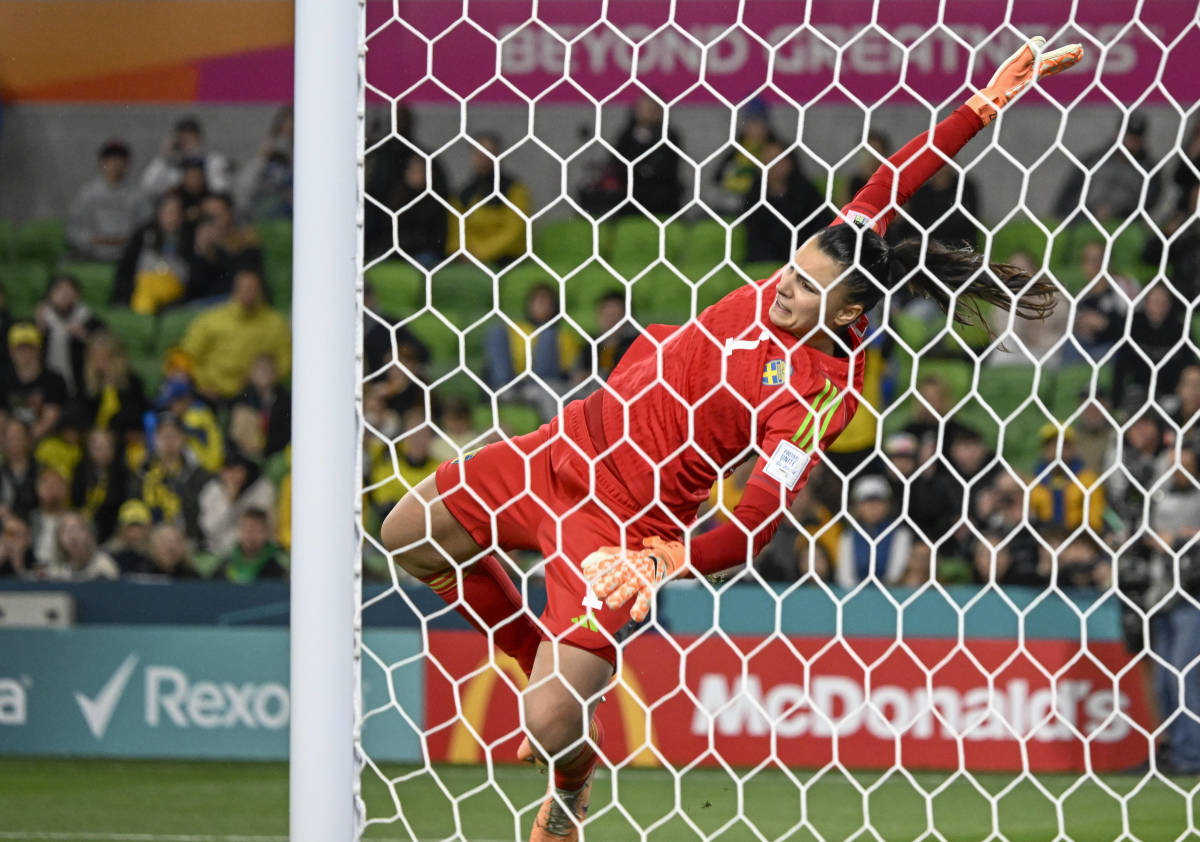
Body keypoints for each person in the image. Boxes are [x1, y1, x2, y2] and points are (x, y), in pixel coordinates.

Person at [380, 37, 1080, 841]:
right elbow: (895, 179)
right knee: (408, 536)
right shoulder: (831, 251)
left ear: (850, 315)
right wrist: (983, 106)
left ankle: (572, 785)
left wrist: (660, 559)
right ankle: (531, 645)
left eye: (808, 289)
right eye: (791, 269)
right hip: (557, 449)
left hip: (619, 523)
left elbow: (755, 525)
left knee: (546, 725)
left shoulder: (820, 393)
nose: (785, 288)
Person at [178, 269, 291, 404]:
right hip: (209, 393)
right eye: (243, 288)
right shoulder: (210, 320)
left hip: (255, 394)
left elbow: (286, 359)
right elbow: (186, 355)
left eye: (253, 288)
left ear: (261, 291)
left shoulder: (275, 323)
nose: (248, 293)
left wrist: (267, 378)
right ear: (234, 289)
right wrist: (201, 383)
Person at [1053, 111, 1162, 223]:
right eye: (1127, 136)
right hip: (1084, 217)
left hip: (1124, 222)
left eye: (1135, 139)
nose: (1130, 143)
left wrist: (1117, 212)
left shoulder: (1149, 170)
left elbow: (1149, 202)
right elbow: (1070, 191)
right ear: (1117, 134)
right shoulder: (1094, 160)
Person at [447, 133, 530, 265]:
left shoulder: (515, 190)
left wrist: (481, 253)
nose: (483, 158)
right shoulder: (463, 194)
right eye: (478, 153)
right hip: (467, 258)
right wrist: (463, 252)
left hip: (506, 257)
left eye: (489, 152)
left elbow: (514, 231)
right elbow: (455, 234)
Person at [742, 140, 829, 263]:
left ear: (790, 163)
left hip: (803, 255)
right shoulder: (753, 195)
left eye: (778, 159)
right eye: (767, 160)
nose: (772, 165)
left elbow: (821, 225)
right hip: (764, 259)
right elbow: (754, 235)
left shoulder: (807, 191)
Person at [67, 138, 147, 261]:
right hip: (91, 256)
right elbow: (73, 229)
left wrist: (130, 241)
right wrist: (92, 240)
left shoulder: (138, 194)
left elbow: (147, 227)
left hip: (128, 257)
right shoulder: (87, 193)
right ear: (102, 163)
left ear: (127, 163)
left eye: (119, 158)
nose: (114, 163)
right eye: (110, 159)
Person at [113, 189, 192, 314]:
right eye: (169, 212)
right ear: (159, 213)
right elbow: (125, 270)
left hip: (174, 296)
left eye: (177, 213)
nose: (173, 218)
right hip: (142, 289)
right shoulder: (143, 234)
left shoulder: (190, 237)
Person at [834, 475, 918, 587]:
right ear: (857, 506)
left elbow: (896, 574)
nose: (873, 507)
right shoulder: (848, 536)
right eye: (866, 502)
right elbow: (845, 576)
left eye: (878, 501)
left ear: (888, 505)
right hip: (855, 596)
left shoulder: (900, 533)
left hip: (891, 593)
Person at [35, 274, 104, 399]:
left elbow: (108, 346)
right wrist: (39, 329)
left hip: (81, 385)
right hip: (48, 384)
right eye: (59, 290)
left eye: (69, 291)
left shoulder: (90, 321)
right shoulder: (42, 319)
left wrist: (84, 335)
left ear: (78, 295)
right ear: (50, 295)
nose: (64, 295)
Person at [198, 450, 276, 556]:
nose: (232, 476)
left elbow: (260, 526)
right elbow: (210, 529)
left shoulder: (262, 487)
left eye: (237, 470)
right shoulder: (212, 489)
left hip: (254, 551)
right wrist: (228, 502)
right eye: (227, 471)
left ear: (245, 470)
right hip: (217, 552)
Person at [1, 323, 68, 440]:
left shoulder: (54, 379)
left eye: (30, 348)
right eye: (19, 349)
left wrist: (24, 440)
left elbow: (50, 418)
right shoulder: (3, 377)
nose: (25, 353)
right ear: (11, 352)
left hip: (44, 439)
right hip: (9, 438)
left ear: (39, 349)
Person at [141, 116, 233, 199]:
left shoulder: (214, 160)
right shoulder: (171, 165)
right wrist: (164, 157)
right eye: (183, 139)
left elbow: (221, 189)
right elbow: (147, 187)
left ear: (200, 138)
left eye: (191, 138)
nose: (188, 144)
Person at [233, 106, 293, 223]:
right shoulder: (263, 159)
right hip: (260, 217)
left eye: (290, 135)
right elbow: (242, 188)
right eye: (281, 133)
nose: (283, 142)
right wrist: (261, 158)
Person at [70, 426, 130, 543]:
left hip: (114, 527)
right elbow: (76, 502)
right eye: (97, 447)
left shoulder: (123, 473)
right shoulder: (80, 471)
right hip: (85, 526)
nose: (101, 451)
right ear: (89, 449)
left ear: (113, 449)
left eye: (106, 446)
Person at [220, 507, 288, 582]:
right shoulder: (225, 562)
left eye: (257, 530)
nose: (251, 535)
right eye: (247, 529)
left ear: (267, 532)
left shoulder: (281, 564)